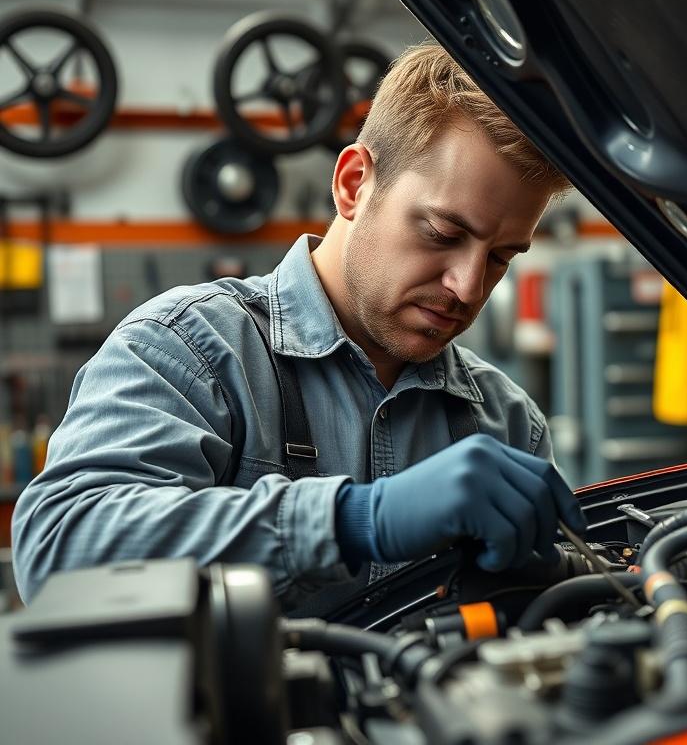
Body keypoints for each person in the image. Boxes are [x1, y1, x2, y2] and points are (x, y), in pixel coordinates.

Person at [12, 42, 587, 611]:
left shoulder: (507, 422)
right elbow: (61, 549)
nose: (467, 286)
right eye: (442, 233)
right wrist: (355, 521)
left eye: (500, 257)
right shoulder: (192, 350)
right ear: (353, 184)